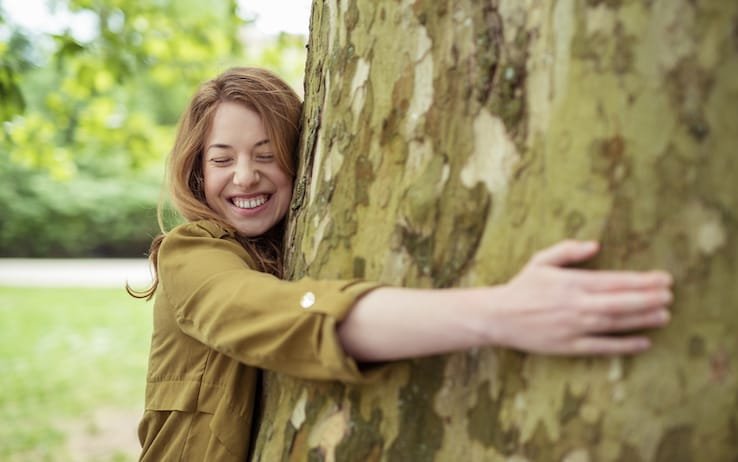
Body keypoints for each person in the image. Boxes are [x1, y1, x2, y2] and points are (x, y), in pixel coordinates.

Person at [130, 67, 673, 460]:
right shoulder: (190, 256)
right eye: (222, 159)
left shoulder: (295, 249)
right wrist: (503, 313)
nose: (245, 176)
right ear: (198, 172)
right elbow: (263, 311)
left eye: (267, 154)